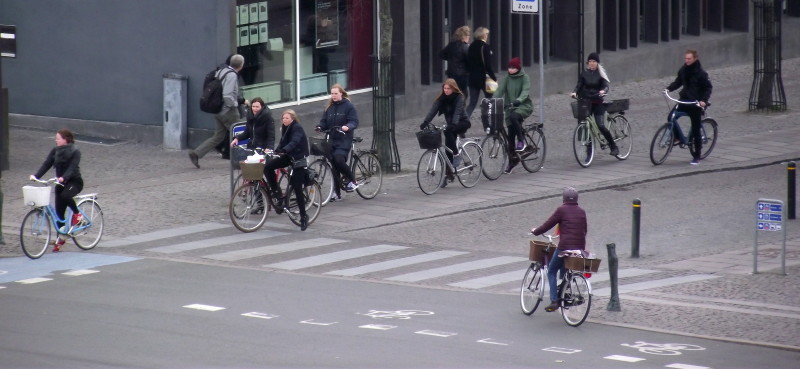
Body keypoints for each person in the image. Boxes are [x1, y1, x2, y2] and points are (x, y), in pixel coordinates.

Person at [530, 187, 587, 313]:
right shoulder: (582, 212)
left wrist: (536, 231)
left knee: (551, 270)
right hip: (579, 247)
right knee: (564, 265)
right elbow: (585, 231)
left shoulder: (561, 210)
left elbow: (547, 224)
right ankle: (564, 286)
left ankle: (554, 300)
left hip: (565, 246)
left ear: (564, 199)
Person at [30, 129, 84, 252]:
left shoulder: (75, 151)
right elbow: (46, 164)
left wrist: (64, 177)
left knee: (66, 195)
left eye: (58, 138)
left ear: (66, 139)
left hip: (74, 182)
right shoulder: (55, 151)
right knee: (59, 213)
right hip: (60, 183)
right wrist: (36, 176)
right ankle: (61, 237)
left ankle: (77, 214)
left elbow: (72, 167)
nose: (56, 140)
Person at [189, 54, 246, 168]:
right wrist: (234, 104)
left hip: (217, 110)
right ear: (241, 65)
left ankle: (196, 153)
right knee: (240, 133)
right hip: (228, 110)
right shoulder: (232, 76)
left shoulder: (222, 71)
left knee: (218, 136)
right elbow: (227, 95)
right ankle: (240, 161)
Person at [420, 78, 472, 187]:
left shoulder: (459, 97)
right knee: (447, 150)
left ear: (453, 89)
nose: (446, 91)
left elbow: (457, 112)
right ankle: (448, 174)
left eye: (448, 89)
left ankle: (457, 154)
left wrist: (453, 124)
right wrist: (425, 122)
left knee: (448, 134)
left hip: (462, 122)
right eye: (445, 88)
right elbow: (433, 111)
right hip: (451, 125)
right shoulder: (442, 98)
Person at [265, 109, 310, 231]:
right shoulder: (285, 128)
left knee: (297, 187)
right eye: (283, 118)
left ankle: (303, 216)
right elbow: (282, 143)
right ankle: (277, 194)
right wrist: (275, 151)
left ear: (293, 119)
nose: (284, 120)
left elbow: (294, 142)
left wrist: (284, 150)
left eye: (287, 118)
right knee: (268, 167)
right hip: (289, 156)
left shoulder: (297, 128)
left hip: (299, 159)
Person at [666, 49, 712, 165]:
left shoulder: (701, 73)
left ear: (695, 59)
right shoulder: (683, 70)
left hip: (696, 104)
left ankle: (697, 156)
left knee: (696, 130)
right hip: (684, 101)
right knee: (671, 117)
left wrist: (703, 101)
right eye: (685, 58)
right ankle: (677, 137)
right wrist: (668, 89)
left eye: (689, 59)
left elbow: (708, 87)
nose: (687, 61)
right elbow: (678, 82)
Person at [315, 84, 360, 202]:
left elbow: (354, 121)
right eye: (332, 93)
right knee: (333, 166)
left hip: (343, 139)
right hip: (331, 139)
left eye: (336, 93)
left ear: (341, 93)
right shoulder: (329, 107)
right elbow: (324, 121)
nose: (333, 96)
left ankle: (353, 180)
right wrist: (320, 127)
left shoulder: (348, 106)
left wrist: (347, 126)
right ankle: (337, 193)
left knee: (339, 159)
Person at [571, 52, 619, 157]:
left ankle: (613, 146)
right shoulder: (584, 73)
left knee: (600, 125)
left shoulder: (601, 74)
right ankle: (589, 151)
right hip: (586, 102)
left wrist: (603, 91)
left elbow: (606, 85)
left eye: (594, 61)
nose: (592, 63)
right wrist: (574, 92)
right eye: (590, 61)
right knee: (585, 126)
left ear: (597, 63)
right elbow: (579, 84)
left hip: (598, 103)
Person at [493, 57, 533, 174]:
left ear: (518, 68)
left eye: (513, 68)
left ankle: (521, 141)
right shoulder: (507, 78)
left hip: (523, 106)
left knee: (514, 117)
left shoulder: (525, 78)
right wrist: (491, 100)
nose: (510, 70)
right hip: (510, 107)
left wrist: (519, 100)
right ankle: (512, 161)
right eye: (509, 67)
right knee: (510, 136)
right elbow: (499, 90)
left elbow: (525, 91)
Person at [466, 27, 497, 119]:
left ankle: (462, 124)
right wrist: (494, 77)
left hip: (472, 78)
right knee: (489, 101)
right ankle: (489, 124)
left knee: (472, 102)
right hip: (485, 78)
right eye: (486, 34)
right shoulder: (485, 46)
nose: (487, 36)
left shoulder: (471, 46)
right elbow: (488, 65)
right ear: (483, 35)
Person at [440, 25, 471, 94]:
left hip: (451, 73)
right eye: (468, 35)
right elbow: (469, 60)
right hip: (462, 74)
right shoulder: (465, 47)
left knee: (453, 92)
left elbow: (441, 54)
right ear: (465, 36)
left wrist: (449, 59)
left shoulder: (451, 45)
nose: (469, 37)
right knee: (463, 93)